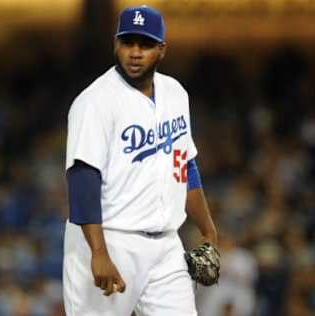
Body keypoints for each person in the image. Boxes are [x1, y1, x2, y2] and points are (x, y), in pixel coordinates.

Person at [63, 5, 218, 316]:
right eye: (128, 42)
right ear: (115, 44)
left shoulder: (175, 93)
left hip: (166, 246)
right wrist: (99, 252)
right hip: (112, 240)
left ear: (161, 49)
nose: (135, 53)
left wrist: (209, 231)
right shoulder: (95, 102)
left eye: (145, 44)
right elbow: (82, 178)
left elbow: (185, 165)